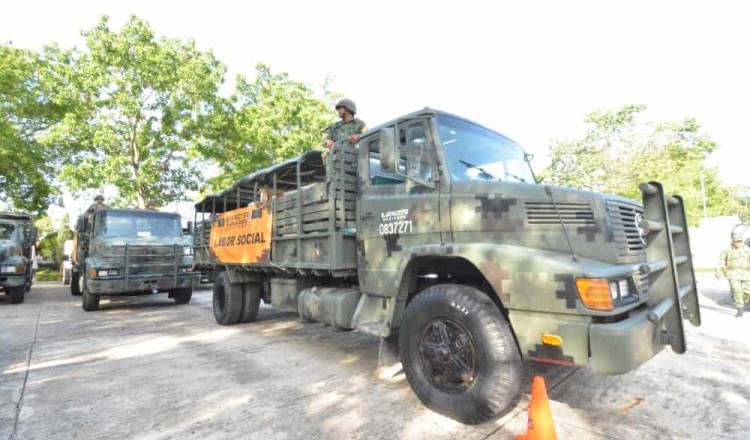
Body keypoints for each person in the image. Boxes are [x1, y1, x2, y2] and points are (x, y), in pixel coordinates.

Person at [716, 231, 750, 317]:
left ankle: (742, 301)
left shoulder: (747, 249)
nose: (738, 243)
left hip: (746, 273)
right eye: (736, 241)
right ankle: (740, 309)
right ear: (732, 241)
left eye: (740, 241)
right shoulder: (726, 249)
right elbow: (721, 261)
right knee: (736, 290)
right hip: (732, 273)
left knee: (747, 291)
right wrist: (719, 272)